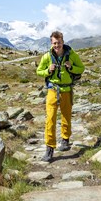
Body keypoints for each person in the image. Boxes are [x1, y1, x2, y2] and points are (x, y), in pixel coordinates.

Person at [36, 31, 85, 162]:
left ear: (63, 41)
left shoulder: (72, 55)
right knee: (50, 119)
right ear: (51, 43)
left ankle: (65, 139)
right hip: (53, 90)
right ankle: (49, 148)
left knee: (66, 117)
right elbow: (39, 71)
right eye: (55, 43)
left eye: (59, 42)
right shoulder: (47, 56)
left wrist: (71, 67)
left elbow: (81, 68)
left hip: (67, 90)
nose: (57, 45)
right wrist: (48, 70)